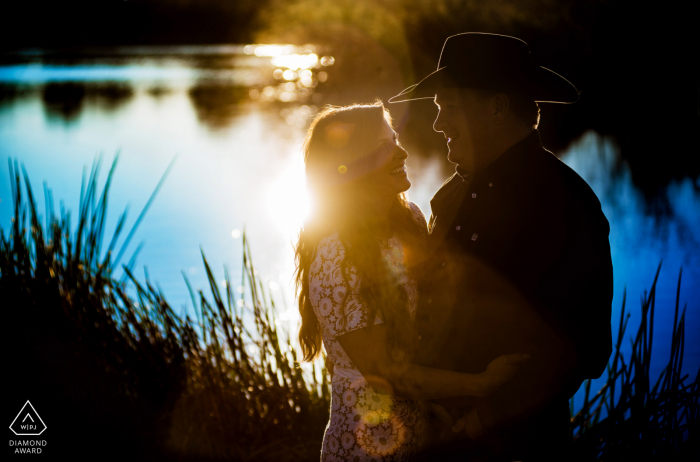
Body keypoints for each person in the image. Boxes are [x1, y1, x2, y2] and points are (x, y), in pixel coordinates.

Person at [388, 32, 614, 461]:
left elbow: (583, 345)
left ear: (495, 107)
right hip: (438, 435)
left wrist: (486, 417)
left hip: (517, 444)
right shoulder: (451, 195)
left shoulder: (564, 202)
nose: (437, 124)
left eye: (448, 107)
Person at [294, 101, 531, 462]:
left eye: (395, 139)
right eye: (383, 147)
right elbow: (385, 373)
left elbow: (419, 328)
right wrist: (479, 384)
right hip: (364, 448)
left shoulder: (410, 220)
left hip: (415, 440)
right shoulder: (334, 256)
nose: (402, 152)